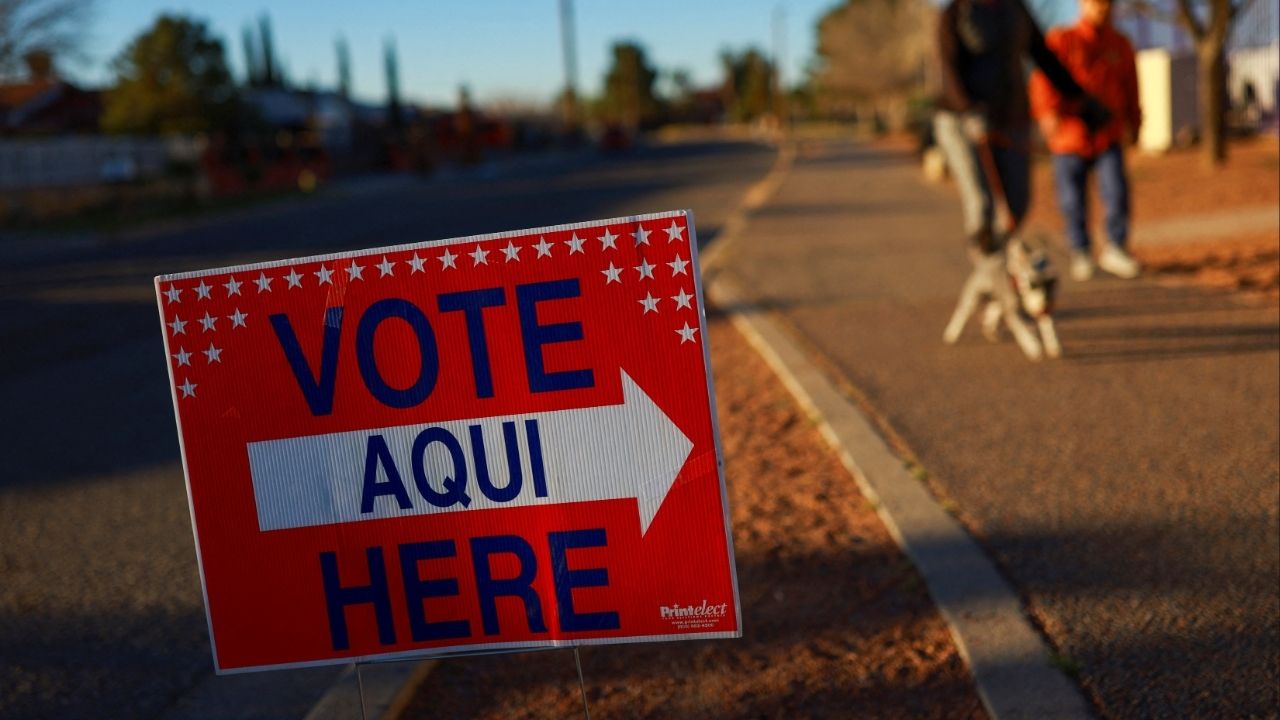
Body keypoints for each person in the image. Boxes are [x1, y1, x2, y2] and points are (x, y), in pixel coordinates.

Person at [934, 0, 1109, 256]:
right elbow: (947, 70)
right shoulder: (954, 13)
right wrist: (967, 109)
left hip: (1010, 120)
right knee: (983, 207)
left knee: (1017, 206)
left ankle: (999, 271)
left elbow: (1044, 57)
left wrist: (1080, 99)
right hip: (963, 123)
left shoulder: (1015, 10)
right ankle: (995, 276)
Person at [1029, 0, 1142, 280]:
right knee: (1071, 199)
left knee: (1116, 191)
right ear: (1082, 5)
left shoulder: (1120, 44)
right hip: (1070, 135)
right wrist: (1047, 113)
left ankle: (1116, 247)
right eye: (1096, 4)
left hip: (1107, 133)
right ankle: (1080, 251)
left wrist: (1135, 122)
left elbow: (1131, 86)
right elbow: (1043, 79)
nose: (1102, 9)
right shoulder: (1062, 40)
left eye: (1107, 4)